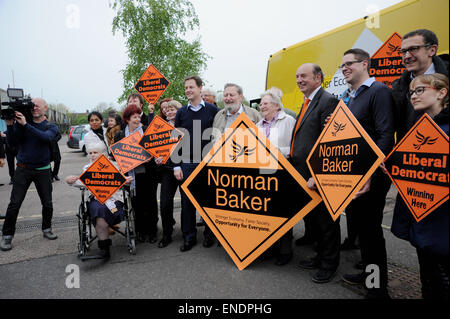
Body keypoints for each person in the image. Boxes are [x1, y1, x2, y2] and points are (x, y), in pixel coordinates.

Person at [339, 49, 395, 299]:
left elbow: (385, 136)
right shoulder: (349, 96)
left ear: (365, 64)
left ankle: (377, 288)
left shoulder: (378, 91)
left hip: (372, 175)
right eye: (342, 66)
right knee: (362, 228)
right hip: (354, 173)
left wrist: (371, 173)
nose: (344, 69)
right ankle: (368, 274)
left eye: (349, 64)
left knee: (371, 231)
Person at [391, 73, 449, 299]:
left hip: (442, 223)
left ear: (441, 93)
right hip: (421, 218)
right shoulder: (419, 127)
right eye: (412, 92)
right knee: (428, 280)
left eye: (420, 90)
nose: (414, 96)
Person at [290, 63, 340, 283]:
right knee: (316, 221)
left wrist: (318, 173)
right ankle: (320, 256)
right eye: (297, 76)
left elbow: (328, 142)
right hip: (303, 173)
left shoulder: (328, 101)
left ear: (318, 78)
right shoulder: (307, 101)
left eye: (304, 76)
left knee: (327, 222)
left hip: (317, 174)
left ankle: (329, 265)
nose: (299, 80)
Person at [1, 98, 59, 251]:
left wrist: (26, 125)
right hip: (23, 169)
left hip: (43, 170)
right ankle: (7, 235)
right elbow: (12, 143)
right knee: (14, 204)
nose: (34, 108)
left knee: (47, 203)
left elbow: (45, 137)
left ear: (45, 108)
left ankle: (47, 228)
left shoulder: (51, 126)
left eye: (37, 106)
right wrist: (10, 125)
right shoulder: (21, 123)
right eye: (32, 106)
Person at [173, 75, 218, 252]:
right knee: (187, 202)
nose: (188, 90)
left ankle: (209, 235)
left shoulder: (213, 110)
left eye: (191, 87)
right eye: (186, 88)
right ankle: (189, 237)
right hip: (187, 163)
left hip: (208, 163)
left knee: (208, 200)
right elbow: (175, 140)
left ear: (200, 88)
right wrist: (176, 165)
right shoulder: (181, 112)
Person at [65, 142, 133, 260]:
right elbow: (80, 183)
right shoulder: (87, 169)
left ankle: (104, 242)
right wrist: (69, 180)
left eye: (95, 152)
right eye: (90, 153)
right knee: (98, 209)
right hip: (96, 199)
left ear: (103, 154)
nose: (92, 155)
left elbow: (124, 180)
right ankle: (104, 248)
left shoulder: (115, 166)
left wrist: (127, 180)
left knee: (105, 209)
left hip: (114, 199)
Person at [256, 90, 295, 266]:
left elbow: (296, 147)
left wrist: (279, 152)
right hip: (263, 173)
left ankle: (285, 250)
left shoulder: (288, 121)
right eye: (261, 104)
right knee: (267, 213)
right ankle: (270, 248)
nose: (261, 106)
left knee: (283, 211)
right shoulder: (257, 125)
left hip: (283, 172)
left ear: (277, 105)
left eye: (265, 103)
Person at [392, 29, 449, 142]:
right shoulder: (398, 87)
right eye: (403, 52)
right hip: (410, 155)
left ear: (432, 50)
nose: (407, 56)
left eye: (413, 49)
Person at [114, 104, 159, 244]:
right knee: (136, 204)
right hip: (131, 176)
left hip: (148, 173)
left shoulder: (146, 131)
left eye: (139, 116)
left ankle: (152, 231)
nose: (138, 119)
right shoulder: (120, 135)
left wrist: (152, 156)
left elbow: (155, 150)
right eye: (134, 117)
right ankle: (140, 231)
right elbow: (116, 156)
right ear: (127, 119)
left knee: (150, 203)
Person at [155, 99, 182, 248]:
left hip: (183, 168)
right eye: (168, 110)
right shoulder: (160, 128)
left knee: (186, 203)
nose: (169, 112)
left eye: (173, 109)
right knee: (165, 203)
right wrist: (157, 157)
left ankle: (187, 232)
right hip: (167, 170)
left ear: (179, 111)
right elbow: (155, 147)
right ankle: (167, 234)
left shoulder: (185, 126)